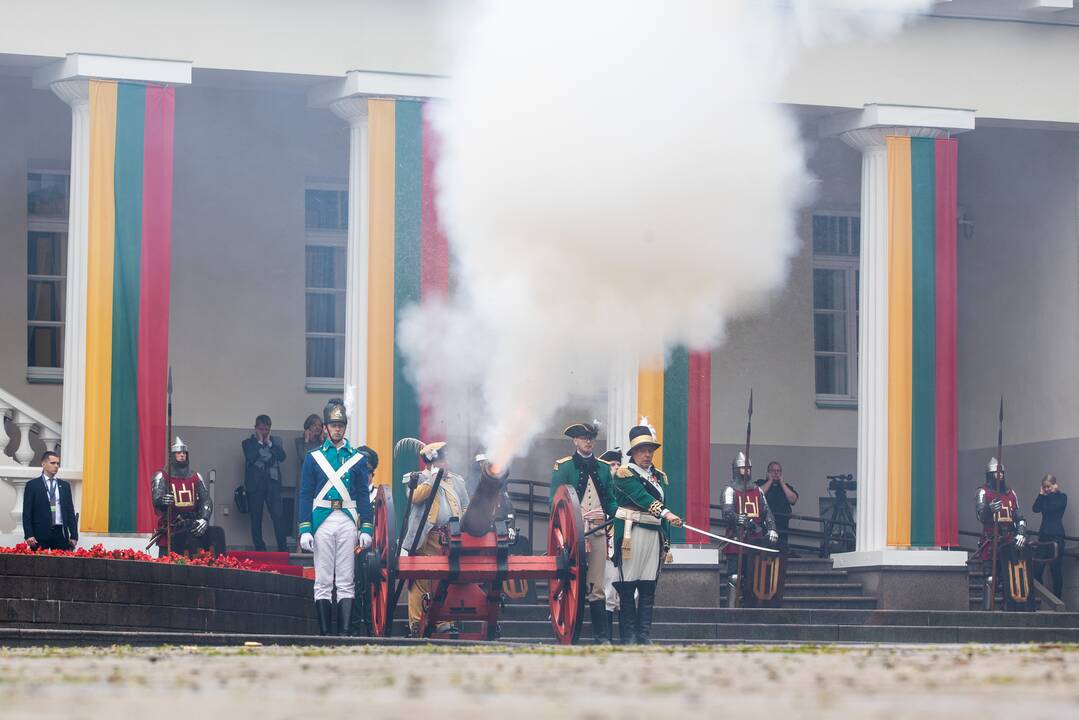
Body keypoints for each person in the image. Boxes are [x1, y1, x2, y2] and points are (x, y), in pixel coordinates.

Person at [297, 399, 374, 636]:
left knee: (345, 579)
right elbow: (305, 494)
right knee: (322, 580)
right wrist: (305, 528)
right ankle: (325, 634)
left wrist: (366, 528)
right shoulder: (313, 458)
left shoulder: (358, 459)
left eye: (341, 425)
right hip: (322, 521)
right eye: (333, 424)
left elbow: (363, 495)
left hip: (347, 521)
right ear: (326, 428)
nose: (337, 429)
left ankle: (344, 634)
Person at [611, 420, 683, 645]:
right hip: (632, 533)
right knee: (628, 585)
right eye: (642, 450)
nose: (647, 454)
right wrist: (666, 512)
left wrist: (666, 542)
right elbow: (641, 497)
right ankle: (628, 637)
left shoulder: (660, 477)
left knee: (648, 586)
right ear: (633, 452)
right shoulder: (624, 474)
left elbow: (662, 509)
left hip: (653, 533)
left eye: (650, 450)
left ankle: (643, 636)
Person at [551, 422, 617, 644]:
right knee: (574, 583)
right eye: (583, 437)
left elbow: (610, 500)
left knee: (597, 585)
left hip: (598, 531)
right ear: (575, 441)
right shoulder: (565, 467)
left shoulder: (605, 468)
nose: (588, 441)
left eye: (591, 438)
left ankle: (601, 637)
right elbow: (556, 502)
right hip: (572, 535)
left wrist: (619, 513)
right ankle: (571, 631)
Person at [400, 441, 470, 636]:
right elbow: (414, 497)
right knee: (420, 578)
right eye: (439, 462)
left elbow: (465, 506)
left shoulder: (457, 482)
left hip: (450, 536)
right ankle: (416, 621)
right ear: (429, 464)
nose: (444, 465)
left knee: (445, 577)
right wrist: (432, 479)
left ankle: (443, 620)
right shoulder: (419, 479)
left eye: (445, 461)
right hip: (426, 536)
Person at [724, 452, 779, 607]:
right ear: (736, 469)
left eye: (748, 468)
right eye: (743, 468)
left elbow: (766, 511)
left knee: (756, 577)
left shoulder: (758, 490)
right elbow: (727, 513)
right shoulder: (729, 490)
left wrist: (772, 528)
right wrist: (737, 518)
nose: (746, 471)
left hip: (756, 540)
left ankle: (752, 608)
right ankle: (732, 610)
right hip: (737, 539)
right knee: (735, 577)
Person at [975, 457, 1030, 610]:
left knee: (1010, 578)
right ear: (990, 474)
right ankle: (988, 613)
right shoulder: (983, 492)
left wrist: (1020, 533)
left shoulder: (1011, 493)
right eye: (995, 473)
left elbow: (1019, 517)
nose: (999, 476)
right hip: (991, 541)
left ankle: (1009, 610)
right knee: (991, 579)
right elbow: (981, 516)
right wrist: (989, 509)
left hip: (1009, 541)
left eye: (1001, 473)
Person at [151, 437, 214, 556]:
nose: (182, 455)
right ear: (172, 455)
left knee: (194, 567)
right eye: (179, 453)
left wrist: (204, 518)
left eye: (184, 453)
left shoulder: (196, 476)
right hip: (172, 528)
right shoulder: (162, 476)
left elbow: (205, 499)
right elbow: (156, 499)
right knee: (167, 568)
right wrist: (162, 500)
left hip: (191, 529)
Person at [242, 414, 288, 552]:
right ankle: (260, 549)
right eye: (261, 429)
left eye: (267, 429)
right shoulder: (247, 443)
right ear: (256, 428)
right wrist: (260, 443)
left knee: (278, 517)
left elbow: (282, 457)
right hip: (255, 486)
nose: (264, 432)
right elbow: (251, 457)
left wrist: (269, 444)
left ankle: (282, 548)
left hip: (272, 484)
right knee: (256, 519)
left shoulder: (275, 442)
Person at [22, 451, 78, 551]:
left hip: (60, 532)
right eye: (53, 463)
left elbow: (70, 511)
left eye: (57, 463)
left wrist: (74, 535)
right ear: (43, 464)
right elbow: (27, 512)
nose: (56, 466)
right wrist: (29, 534)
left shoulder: (64, 486)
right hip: (39, 533)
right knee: (39, 565)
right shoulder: (32, 485)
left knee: (62, 564)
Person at [598, 446, 624, 641]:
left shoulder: (627, 486)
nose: (615, 468)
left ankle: (626, 636)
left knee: (628, 592)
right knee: (608, 590)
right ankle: (607, 637)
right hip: (607, 543)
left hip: (627, 544)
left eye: (617, 464)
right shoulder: (600, 488)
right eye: (612, 465)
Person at [1032, 473, 1067, 602]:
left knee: (1055, 571)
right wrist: (1041, 494)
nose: (1046, 489)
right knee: (1036, 571)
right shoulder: (1044, 497)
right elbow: (1035, 508)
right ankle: (1043, 599)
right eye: (1044, 487)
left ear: (1054, 485)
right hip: (1044, 538)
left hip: (1056, 538)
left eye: (1048, 486)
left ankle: (1057, 600)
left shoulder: (1062, 497)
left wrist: (1051, 494)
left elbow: (1050, 509)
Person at [756, 461, 798, 553]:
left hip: (782, 527)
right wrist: (770, 481)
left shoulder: (786, 487)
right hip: (763, 527)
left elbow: (793, 499)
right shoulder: (760, 483)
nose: (776, 473)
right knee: (763, 553)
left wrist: (782, 483)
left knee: (781, 554)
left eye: (778, 471)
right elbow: (757, 495)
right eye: (773, 471)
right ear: (768, 472)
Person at [295, 414, 324, 478]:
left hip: (319, 476)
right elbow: (303, 457)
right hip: (305, 476)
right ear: (308, 427)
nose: (318, 427)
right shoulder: (299, 441)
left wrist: (322, 440)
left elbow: (326, 458)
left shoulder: (323, 442)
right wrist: (306, 440)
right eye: (314, 425)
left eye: (319, 425)